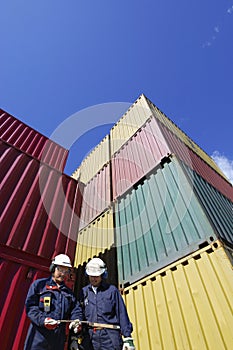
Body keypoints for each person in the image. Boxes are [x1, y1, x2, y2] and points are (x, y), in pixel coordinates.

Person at [69, 257, 135, 350]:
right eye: (91, 276)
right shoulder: (83, 292)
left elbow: (121, 314)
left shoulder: (112, 291)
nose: (93, 278)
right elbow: (79, 312)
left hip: (110, 338)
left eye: (96, 276)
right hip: (90, 338)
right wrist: (75, 337)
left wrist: (127, 338)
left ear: (103, 275)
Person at [24, 254, 82, 350]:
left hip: (57, 340)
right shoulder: (39, 286)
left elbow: (76, 310)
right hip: (39, 337)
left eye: (66, 271)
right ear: (53, 268)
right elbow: (31, 308)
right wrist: (43, 320)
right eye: (60, 269)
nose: (63, 274)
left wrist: (76, 320)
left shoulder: (69, 294)